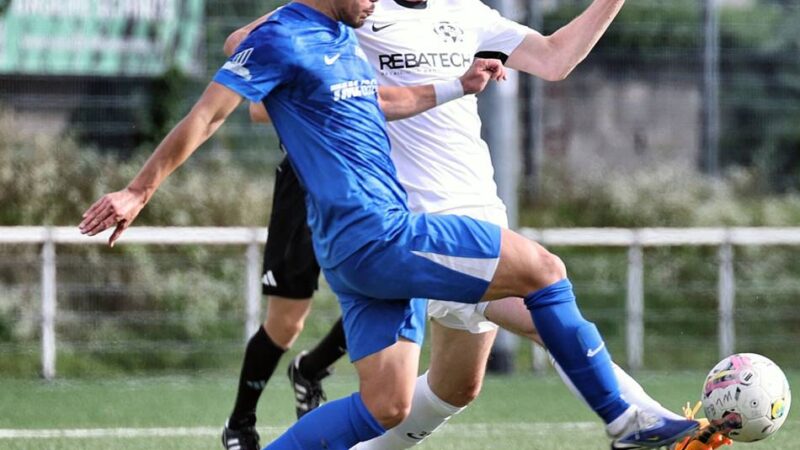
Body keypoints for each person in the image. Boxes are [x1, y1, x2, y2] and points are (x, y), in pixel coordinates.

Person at [78, 0, 700, 448]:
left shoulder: (349, 43)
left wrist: (459, 84)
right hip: (389, 232)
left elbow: (382, 99)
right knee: (543, 275)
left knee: (394, 403)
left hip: (369, 245)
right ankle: (630, 421)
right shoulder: (306, 33)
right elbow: (223, 102)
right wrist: (138, 191)